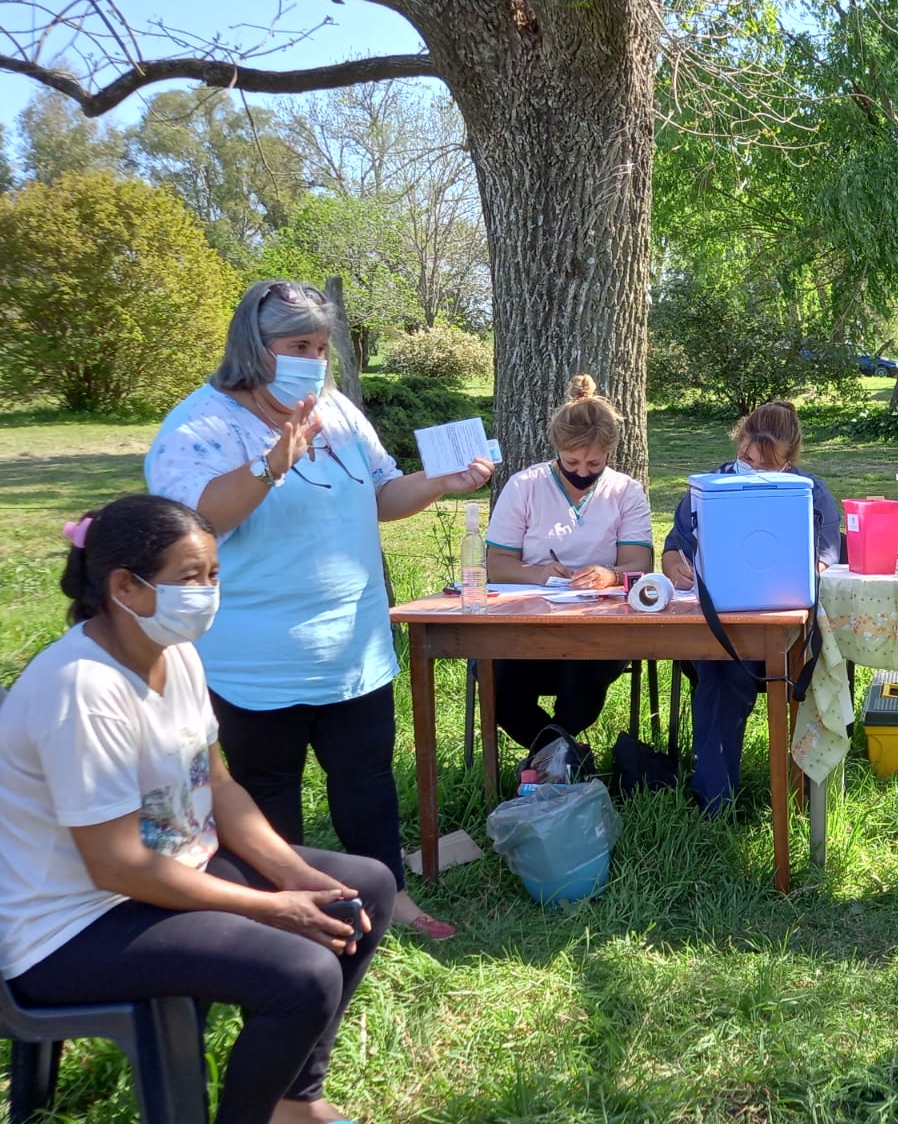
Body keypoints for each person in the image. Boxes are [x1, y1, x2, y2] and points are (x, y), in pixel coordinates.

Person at [0, 495, 394, 1124]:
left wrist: (294, 874)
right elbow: (117, 867)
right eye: (189, 577)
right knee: (302, 974)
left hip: (166, 873)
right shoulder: (82, 690)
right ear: (124, 585)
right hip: (72, 927)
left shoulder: (174, 653)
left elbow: (218, 784)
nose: (207, 593)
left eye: (212, 575)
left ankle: (294, 1101)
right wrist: (273, 906)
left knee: (365, 886)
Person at [145, 280, 492, 941]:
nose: (314, 358)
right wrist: (271, 463)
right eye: (298, 345)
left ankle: (387, 899)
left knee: (367, 784)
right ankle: (290, 914)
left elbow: (383, 496)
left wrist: (439, 483)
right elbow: (192, 522)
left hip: (353, 650)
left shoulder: (337, 411)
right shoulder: (201, 424)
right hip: (254, 661)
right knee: (267, 792)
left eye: (322, 345)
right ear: (255, 345)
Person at [661, 401, 841, 814]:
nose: (753, 470)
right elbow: (674, 548)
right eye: (746, 459)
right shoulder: (706, 488)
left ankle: (784, 795)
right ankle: (716, 805)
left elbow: (827, 555)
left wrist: (797, 569)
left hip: (785, 630)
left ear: (789, 461)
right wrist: (675, 564)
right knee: (723, 675)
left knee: (734, 672)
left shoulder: (809, 493)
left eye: (767, 466)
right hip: (717, 629)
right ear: (739, 441)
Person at [485, 374, 654, 749]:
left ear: (610, 453)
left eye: (594, 462)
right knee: (498, 689)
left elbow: (639, 563)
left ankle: (554, 761)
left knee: (584, 679)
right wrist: (538, 573)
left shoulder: (625, 490)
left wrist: (610, 574)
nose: (581, 471)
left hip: (598, 624)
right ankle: (565, 755)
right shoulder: (524, 485)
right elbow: (497, 563)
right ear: (556, 449)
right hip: (526, 621)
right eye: (571, 461)